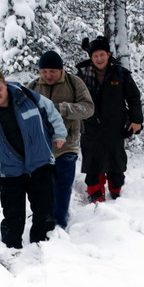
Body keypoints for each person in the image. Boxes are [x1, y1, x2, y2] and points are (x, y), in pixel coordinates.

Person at [0, 69, 67, 249]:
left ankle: (43, 248)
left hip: (40, 164)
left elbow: (52, 112)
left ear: (5, 85)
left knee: (44, 211)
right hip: (10, 172)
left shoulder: (27, 98)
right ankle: (11, 250)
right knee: (13, 217)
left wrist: (59, 134)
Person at [27, 50, 94, 229]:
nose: (48, 75)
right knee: (43, 190)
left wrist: (62, 109)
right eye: (44, 72)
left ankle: (59, 226)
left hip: (67, 145)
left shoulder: (74, 83)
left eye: (52, 71)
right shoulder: (33, 86)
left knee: (62, 188)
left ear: (61, 70)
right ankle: (45, 223)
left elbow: (88, 108)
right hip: (41, 148)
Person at [76, 35, 143, 202]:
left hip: (115, 127)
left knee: (116, 164)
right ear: (91, 57)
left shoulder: (120, 74)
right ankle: (96, 198)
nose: (99, 59)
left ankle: (116, 193)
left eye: (102, 54)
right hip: (90, 128)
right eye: (95, 55)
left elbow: (134, 97)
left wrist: (136, 120)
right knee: (93, 165)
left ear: (108, 54)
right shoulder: (81, 76)